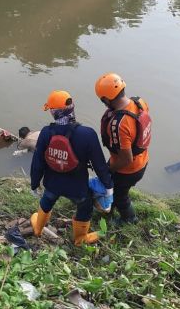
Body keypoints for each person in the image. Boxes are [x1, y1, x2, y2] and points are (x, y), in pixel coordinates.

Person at [29, 90, 114, 246]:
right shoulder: (87, 134)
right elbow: (99, 165)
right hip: (78, 188)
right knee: (85, 207)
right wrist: (108, 187)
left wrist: (34, 184)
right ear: (72, 107)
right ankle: (80, 239)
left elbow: (38, 162)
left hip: (52, 185)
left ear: (53, 112)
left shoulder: (46, 133)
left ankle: (38, 229)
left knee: (47, 201)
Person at [95, 73, 152, 224]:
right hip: (142, 159)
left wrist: (108, 168)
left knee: (121, 195)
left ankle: (129, 219)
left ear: (106, 99)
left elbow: (126, 159)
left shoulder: (120, 124)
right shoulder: (139, 103)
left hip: (128, 168)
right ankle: (108, 208)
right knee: (115, 187)